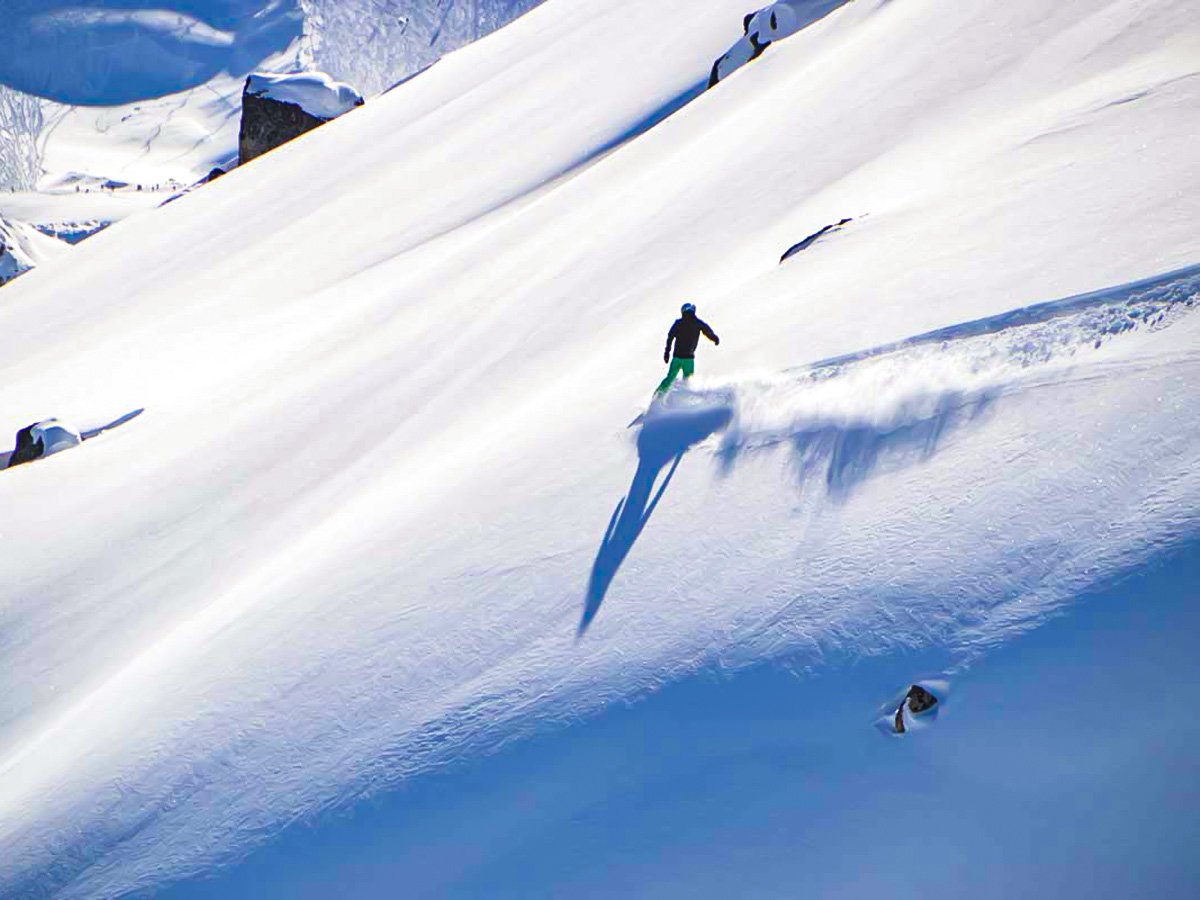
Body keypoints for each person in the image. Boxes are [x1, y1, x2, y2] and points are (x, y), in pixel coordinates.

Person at [657, 302, 720, 394]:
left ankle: (659, 394)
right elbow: (707, 331)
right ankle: (685, 398)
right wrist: (714, 338)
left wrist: (667, 352)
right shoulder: (697, 322)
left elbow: (670, 337)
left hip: (677, 357)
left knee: (670, 378)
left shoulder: (678, 323)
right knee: (688, 381)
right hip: (688, 358)